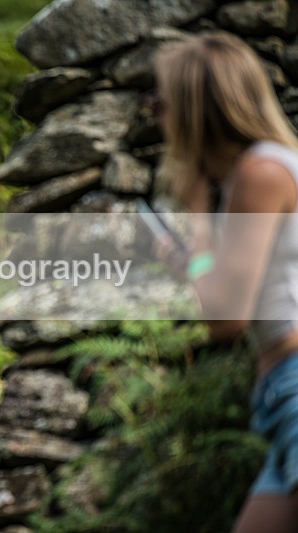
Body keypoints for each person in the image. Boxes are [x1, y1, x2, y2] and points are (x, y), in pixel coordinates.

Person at [154, 32, 298, 532]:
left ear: (195, 110)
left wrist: (195, 213)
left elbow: (224, 320)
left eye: (161, 104)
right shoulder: (262, 170)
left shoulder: (262, 173)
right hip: (282, 395)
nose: (157, 118)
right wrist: (192, 261)